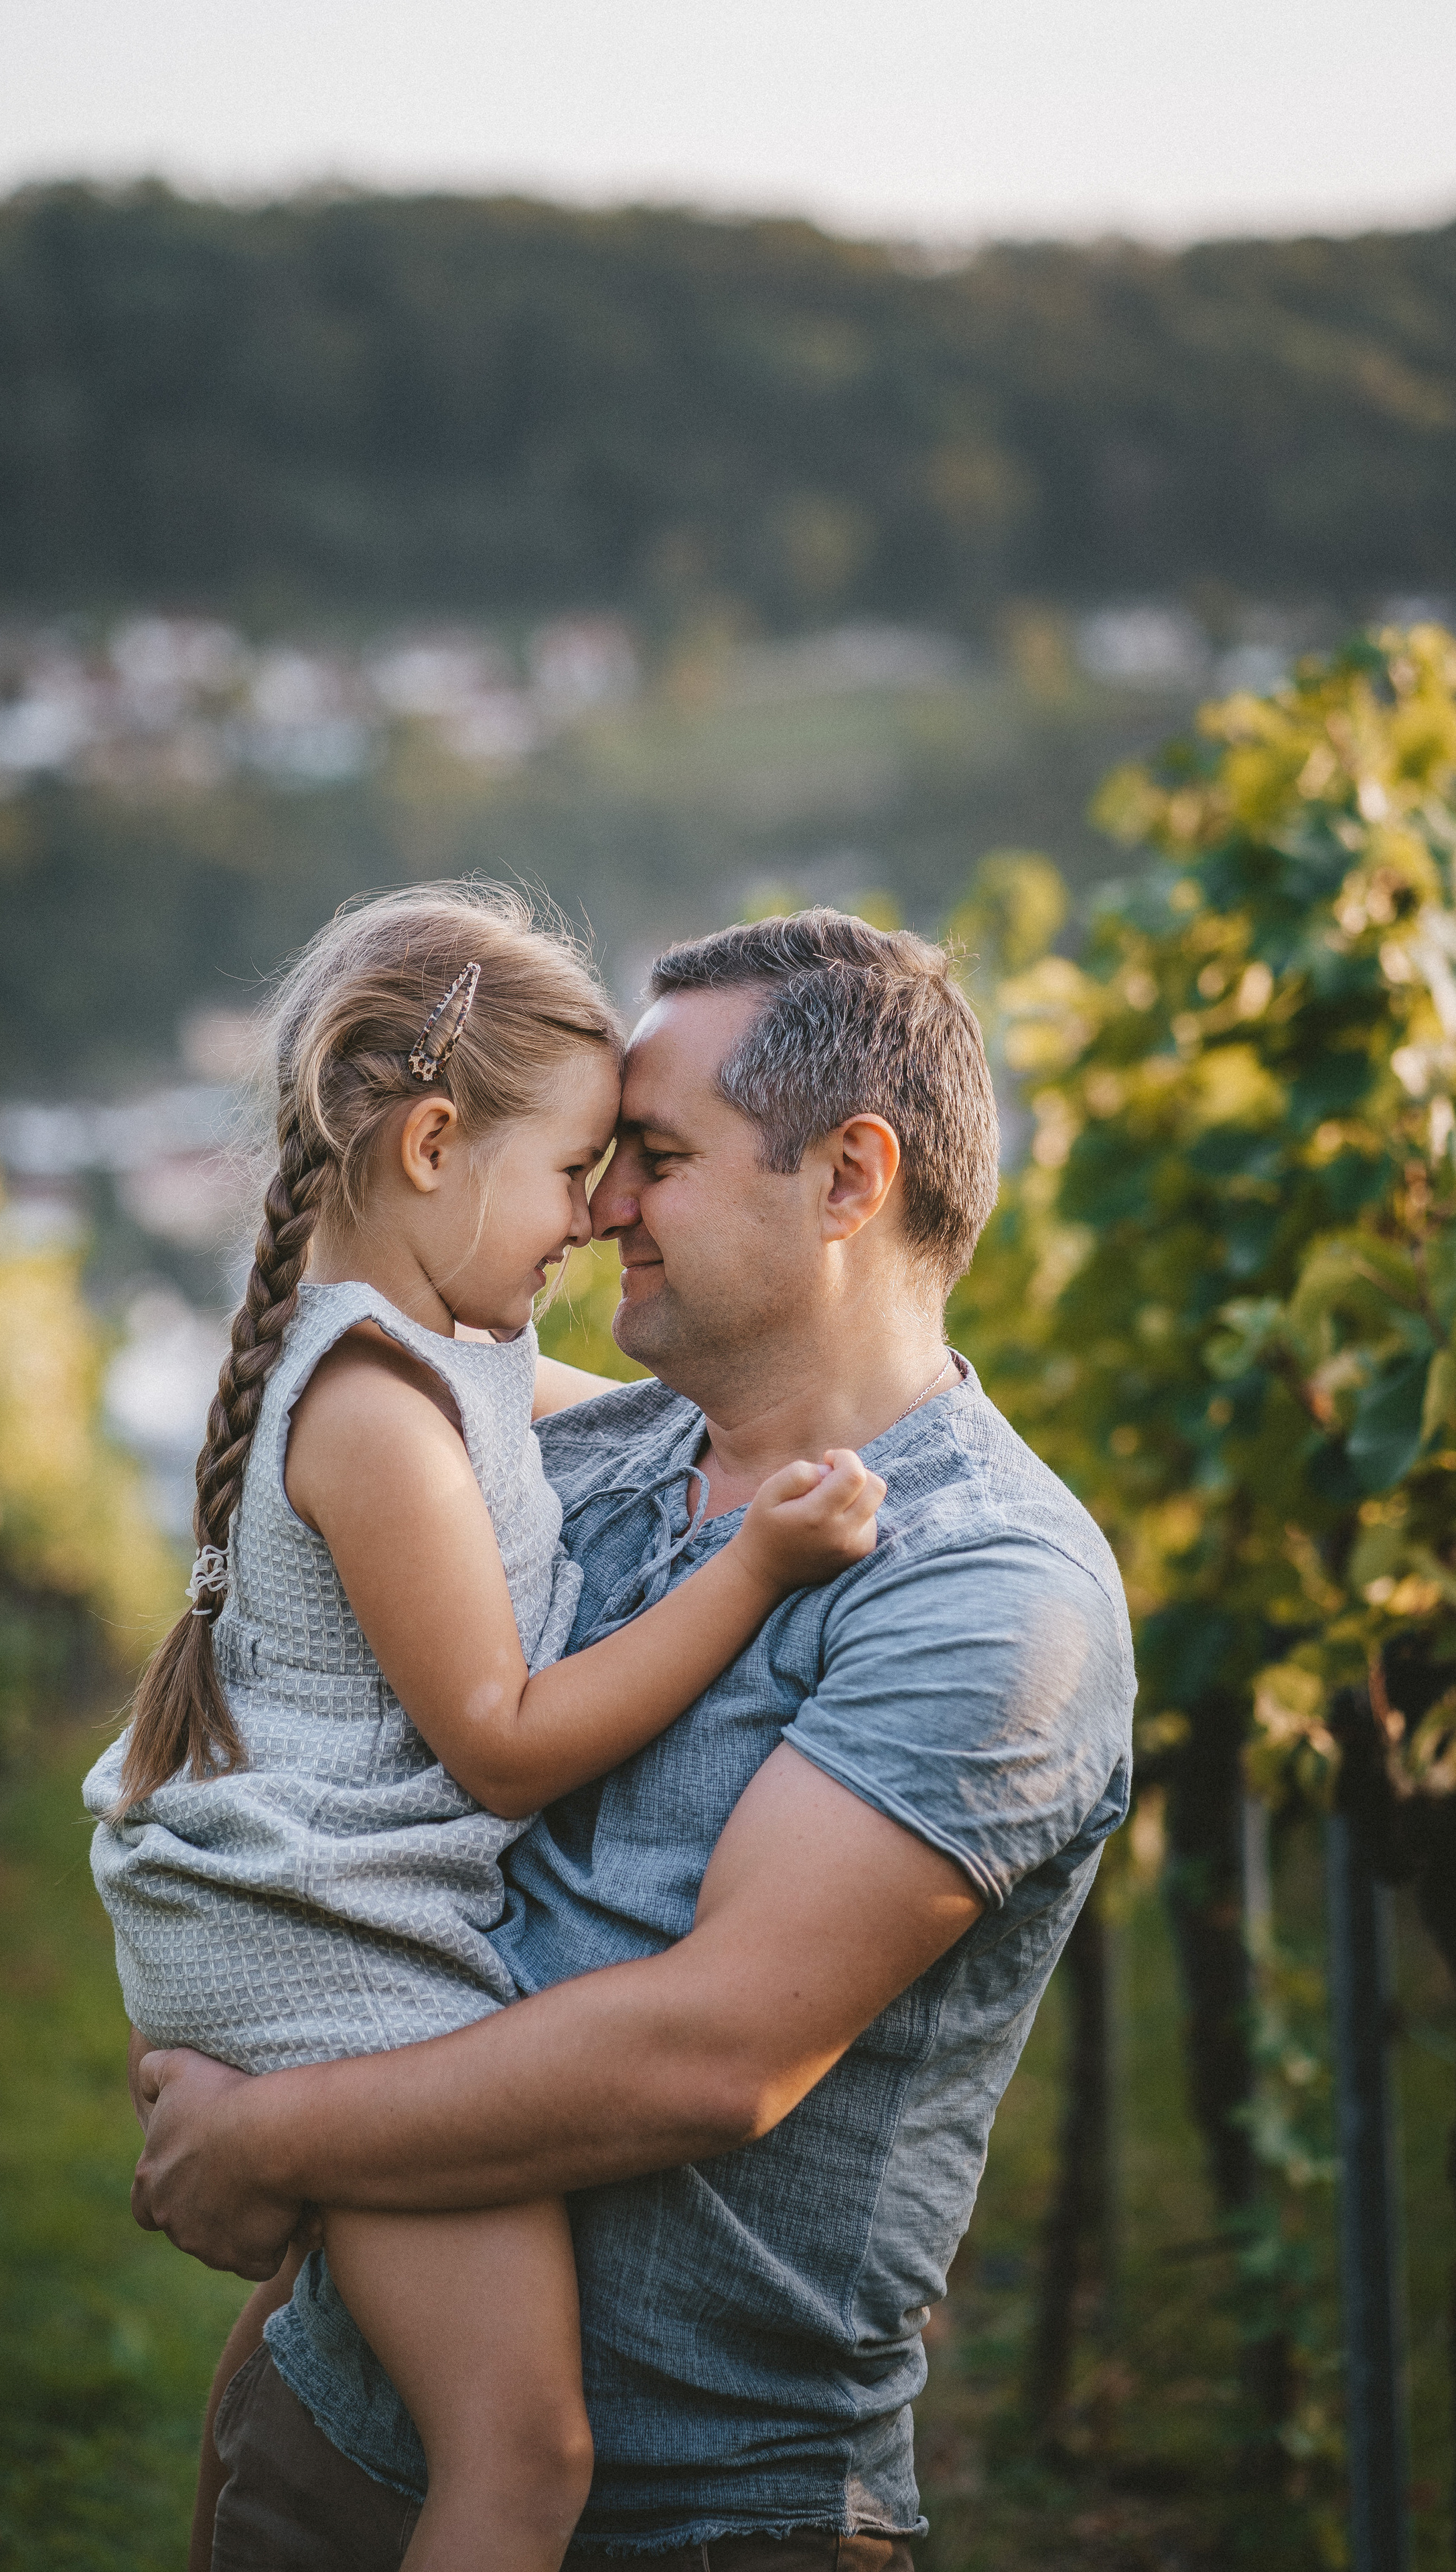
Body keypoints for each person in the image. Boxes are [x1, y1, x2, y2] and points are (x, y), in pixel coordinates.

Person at [132, 907, 1137, 2572]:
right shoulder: (572, 1466)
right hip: (335, 2427)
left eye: (649, 1157)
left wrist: (267, 2139)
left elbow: (706, 2056)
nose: (598, 1210)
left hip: (699, 2521)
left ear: (847, 1177)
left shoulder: (987, 1593)